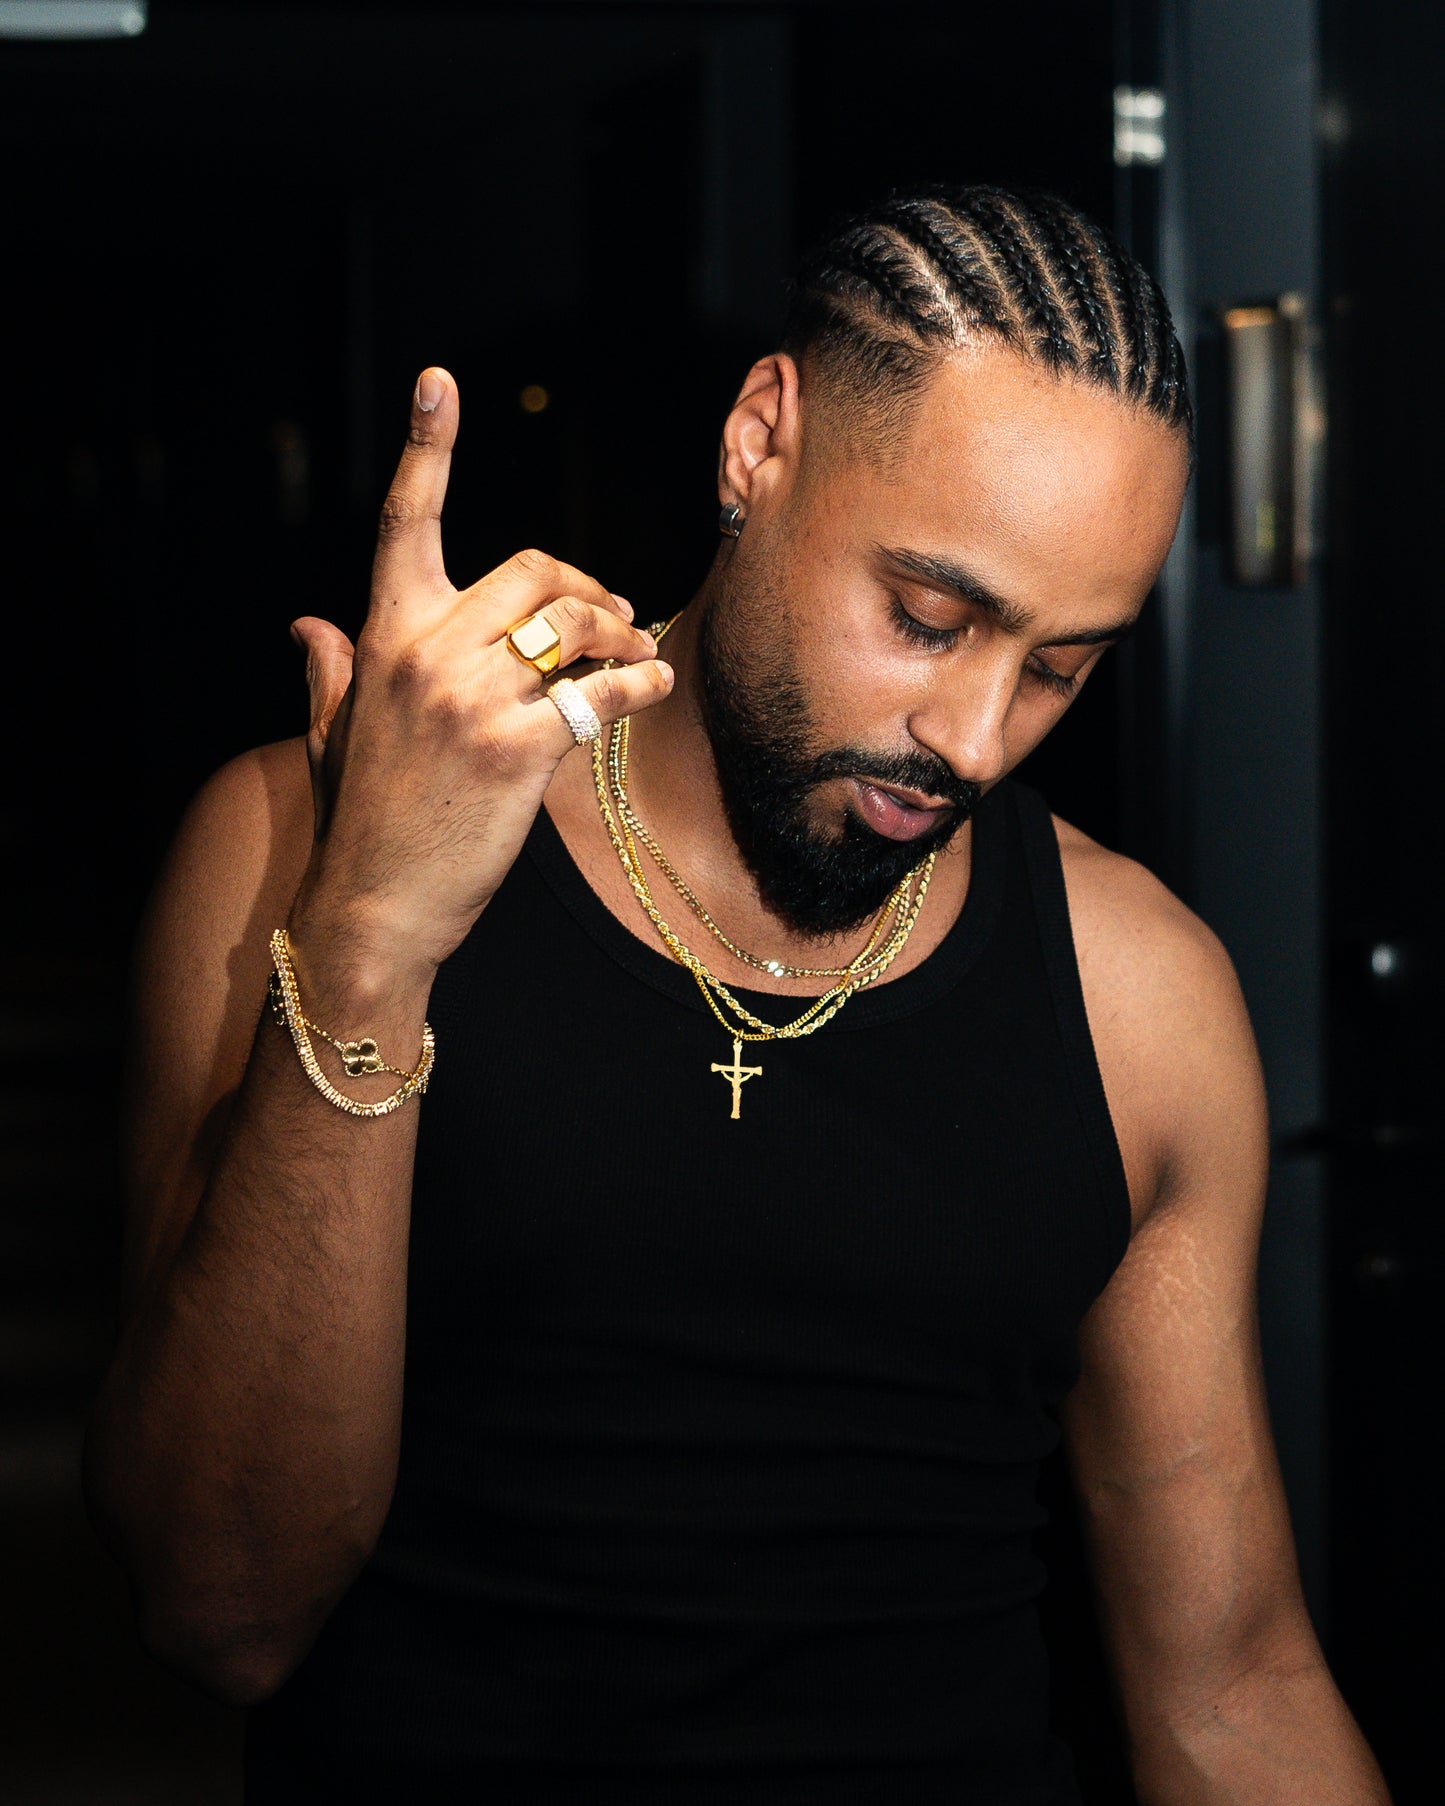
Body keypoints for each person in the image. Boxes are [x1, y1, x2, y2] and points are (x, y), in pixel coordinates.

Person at [83, 186, 1388, 1803]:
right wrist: (373, 930)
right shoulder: (291, 843)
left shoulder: (1143, 995)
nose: (977, 740)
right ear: (760, 441)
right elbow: (219, 1606)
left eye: (1060, 666)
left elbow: (1232, 1688)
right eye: (926, 618)